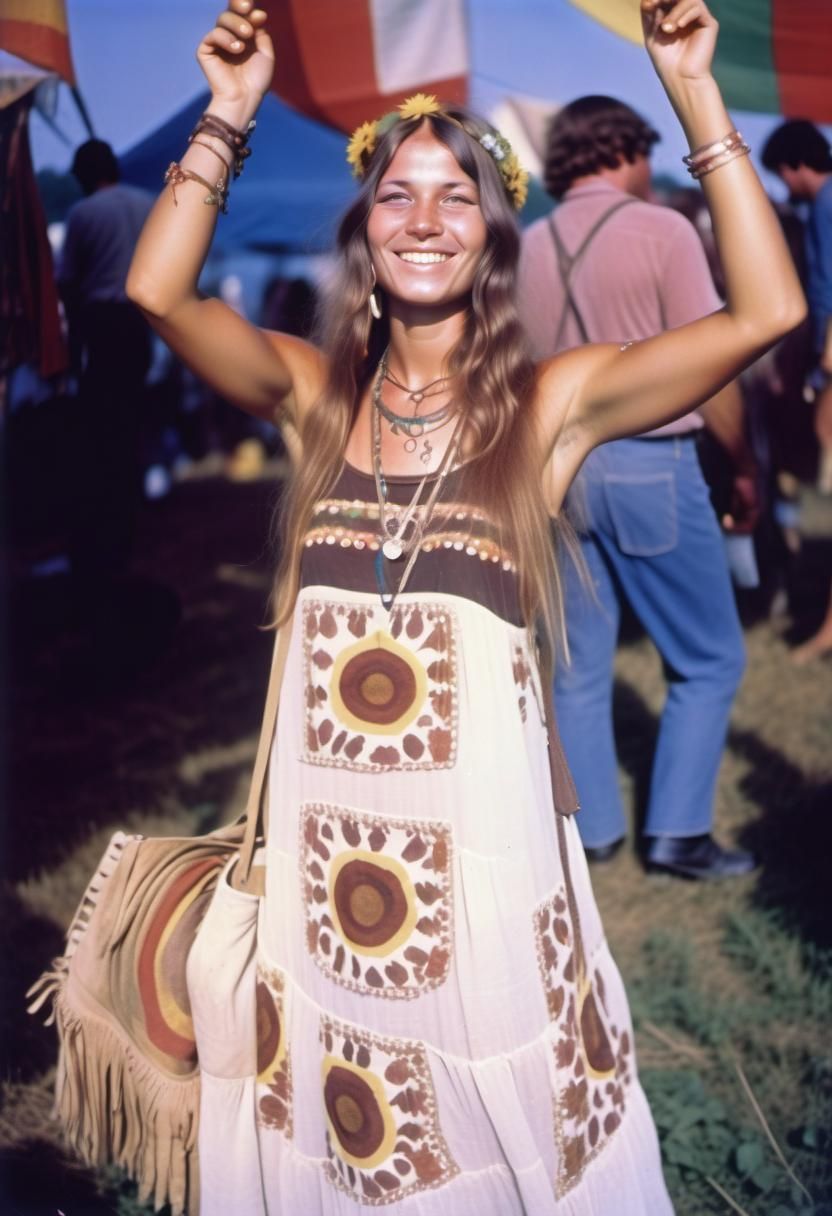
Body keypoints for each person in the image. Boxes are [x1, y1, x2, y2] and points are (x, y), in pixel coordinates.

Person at [124, 1, 805, 1210]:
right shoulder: (311, 397)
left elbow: (766, 315)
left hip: (486, 875)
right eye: (397, 195)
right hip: (328, 875)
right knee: (347, 1129)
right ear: (364, 231)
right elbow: (162, 292)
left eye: (455, 197)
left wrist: (697, 96)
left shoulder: (548, 406)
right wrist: (228, 114)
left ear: (493, 240)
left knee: (502, 1122)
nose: (426, 218)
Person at [518, 95, 760, 879]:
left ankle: (591, 835)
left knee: (578, 662)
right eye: (644, 157)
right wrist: (745, 464)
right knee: (709, 657)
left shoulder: (525, 245)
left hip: (555, 470)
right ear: (621, 149)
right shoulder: (664, 229)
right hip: (652, 462)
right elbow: (713, 370)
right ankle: (680, 834)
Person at [58, 140, 154, 578]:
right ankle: (131, 506)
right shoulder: (146, 203)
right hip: (140, 323)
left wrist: (73, 350)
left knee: (101, 428)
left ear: (83, 174)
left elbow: (69, 285)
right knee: (132, 417)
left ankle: (105, 518)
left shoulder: (83, 214)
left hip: (102, 324)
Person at [762, 122, 832, 659]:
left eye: (783, 174)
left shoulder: (827, 204)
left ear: (794, 165)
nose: (786, 187)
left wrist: (823, 370)